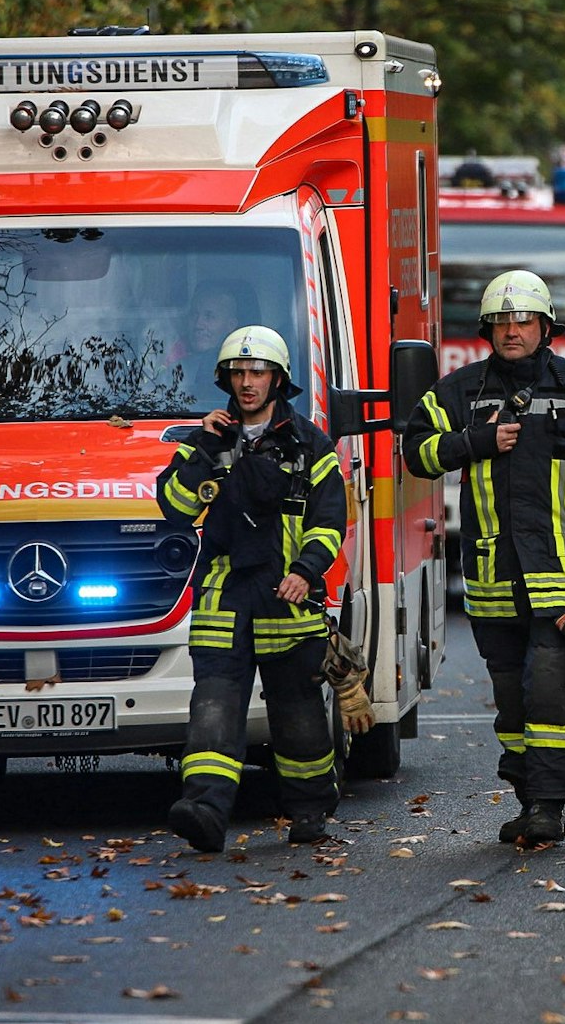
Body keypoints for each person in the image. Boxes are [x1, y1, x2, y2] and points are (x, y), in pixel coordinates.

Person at [401, 270, 565, 846]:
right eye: (501, 322)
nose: (512, 331)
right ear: (488, 329)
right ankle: (527, 792)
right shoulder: (460, 392)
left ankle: (548, 804)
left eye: (523, 321)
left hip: (561, 573)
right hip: (491, 578)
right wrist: (475, 442)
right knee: (513, 701)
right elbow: (416, 453)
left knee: (550, 686)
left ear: (545, 326)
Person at [155, 324, 346, 851]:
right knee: (214, 706)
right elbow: (174, 506)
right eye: (237, 373)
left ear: (278, 379)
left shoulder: (311, 445)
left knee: (298, 712)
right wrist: (203, 451)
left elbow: (330, 522)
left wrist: (306, 571)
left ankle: (310, 812)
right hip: (225, 596)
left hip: (289, 598)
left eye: (257, 371)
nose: (246, 382)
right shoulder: (206, 442)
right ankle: (204, 812)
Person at [172, 286, 241, 405]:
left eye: (209, 317)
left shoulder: (244, 371)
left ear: (230, 325)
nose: (198, 324)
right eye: (194, 315)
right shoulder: (172, 363)